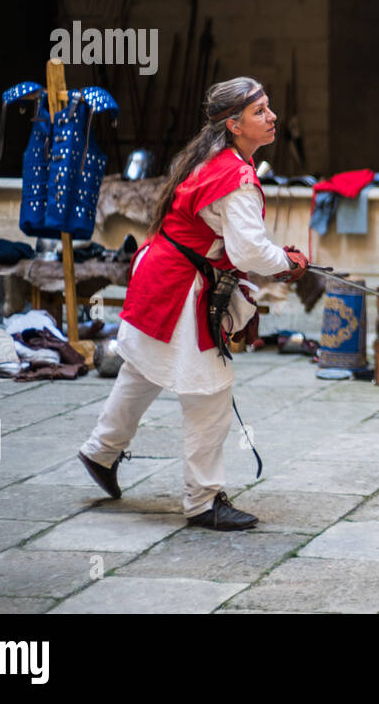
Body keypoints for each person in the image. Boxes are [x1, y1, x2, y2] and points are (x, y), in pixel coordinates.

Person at [77, 78, 307, 530]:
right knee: (210, 392)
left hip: (161, 274)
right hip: (180, 286)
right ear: (234, 124)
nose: (272, 117)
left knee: (141, 369)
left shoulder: (211, 159)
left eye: (268, 108)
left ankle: (100, 452)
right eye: (260, 111)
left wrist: (277, 260)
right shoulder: (236, 175)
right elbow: (249, 253)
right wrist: (289, 263)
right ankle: (203, 500)